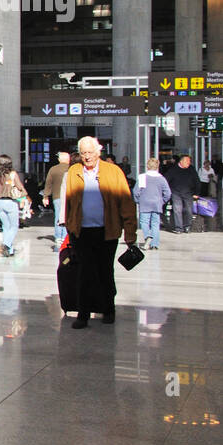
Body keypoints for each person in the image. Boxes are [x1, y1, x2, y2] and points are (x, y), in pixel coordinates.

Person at [63, 136, 137, 329]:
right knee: (84, 272)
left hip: (107, 231)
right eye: (83, 153)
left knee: (105, 271)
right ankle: (83, 314)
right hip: (81, 232)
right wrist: (69, 226)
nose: (87, 157)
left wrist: (130, 232)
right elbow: (69, 201)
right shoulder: (74, 171)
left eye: (90, 153)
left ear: (98, 152)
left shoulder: (113, 172)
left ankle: (108, 309)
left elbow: (126, 203)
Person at [0, 154, 27, 257]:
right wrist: (24, 196)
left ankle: (9, 250)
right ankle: (6, 244)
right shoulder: (13, 174)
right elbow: (20, 187)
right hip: (10, 202)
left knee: (5, 226)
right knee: (14, 226)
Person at [134, 158, 171, 250]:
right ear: (157, 166)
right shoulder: (161, 178)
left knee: (144, 222)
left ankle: (147, 236)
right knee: (155, 223)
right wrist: (162, 201)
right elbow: (168, 193)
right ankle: (155, 244)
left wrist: (138, 200)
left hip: (145, 202)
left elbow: (136, 192)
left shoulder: (142, 177)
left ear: (147, 166)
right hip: (157, 203)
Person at [41, 150, 70, 247]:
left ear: (59, 159)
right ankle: (65, 237)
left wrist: (45, 196)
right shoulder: (71, 169)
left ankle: (58, 237)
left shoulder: (53, 169)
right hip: (69, 197)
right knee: (67, 216)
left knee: (58, 216)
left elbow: (48, 183)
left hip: (57, 197)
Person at [163, 155, 198, 233]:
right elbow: (166, 180)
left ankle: (187, 226)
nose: (188, 163)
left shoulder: (191, 169)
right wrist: (167, 192)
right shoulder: (173, 169)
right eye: (187, 162)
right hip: (176, 193)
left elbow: (197, 181)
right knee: (177, 210)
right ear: (181, 161)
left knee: (189, 210)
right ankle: (179, 228)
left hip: (188, 192)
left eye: (189, 162)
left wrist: (197, 193)